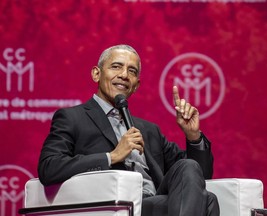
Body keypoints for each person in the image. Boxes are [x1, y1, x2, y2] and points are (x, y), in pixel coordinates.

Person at [38, 44, 220, 216]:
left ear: (136, 85)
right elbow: (49, 167)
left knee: (191, 171)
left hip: (154, 201)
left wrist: (193, 136)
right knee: (208, 202)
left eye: (132, 71)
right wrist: (112, 156)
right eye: (116, 67)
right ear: (96, 74)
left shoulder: (149, 130)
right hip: (117, 205)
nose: (124, 75)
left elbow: (199, 177)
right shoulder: (73, 118)